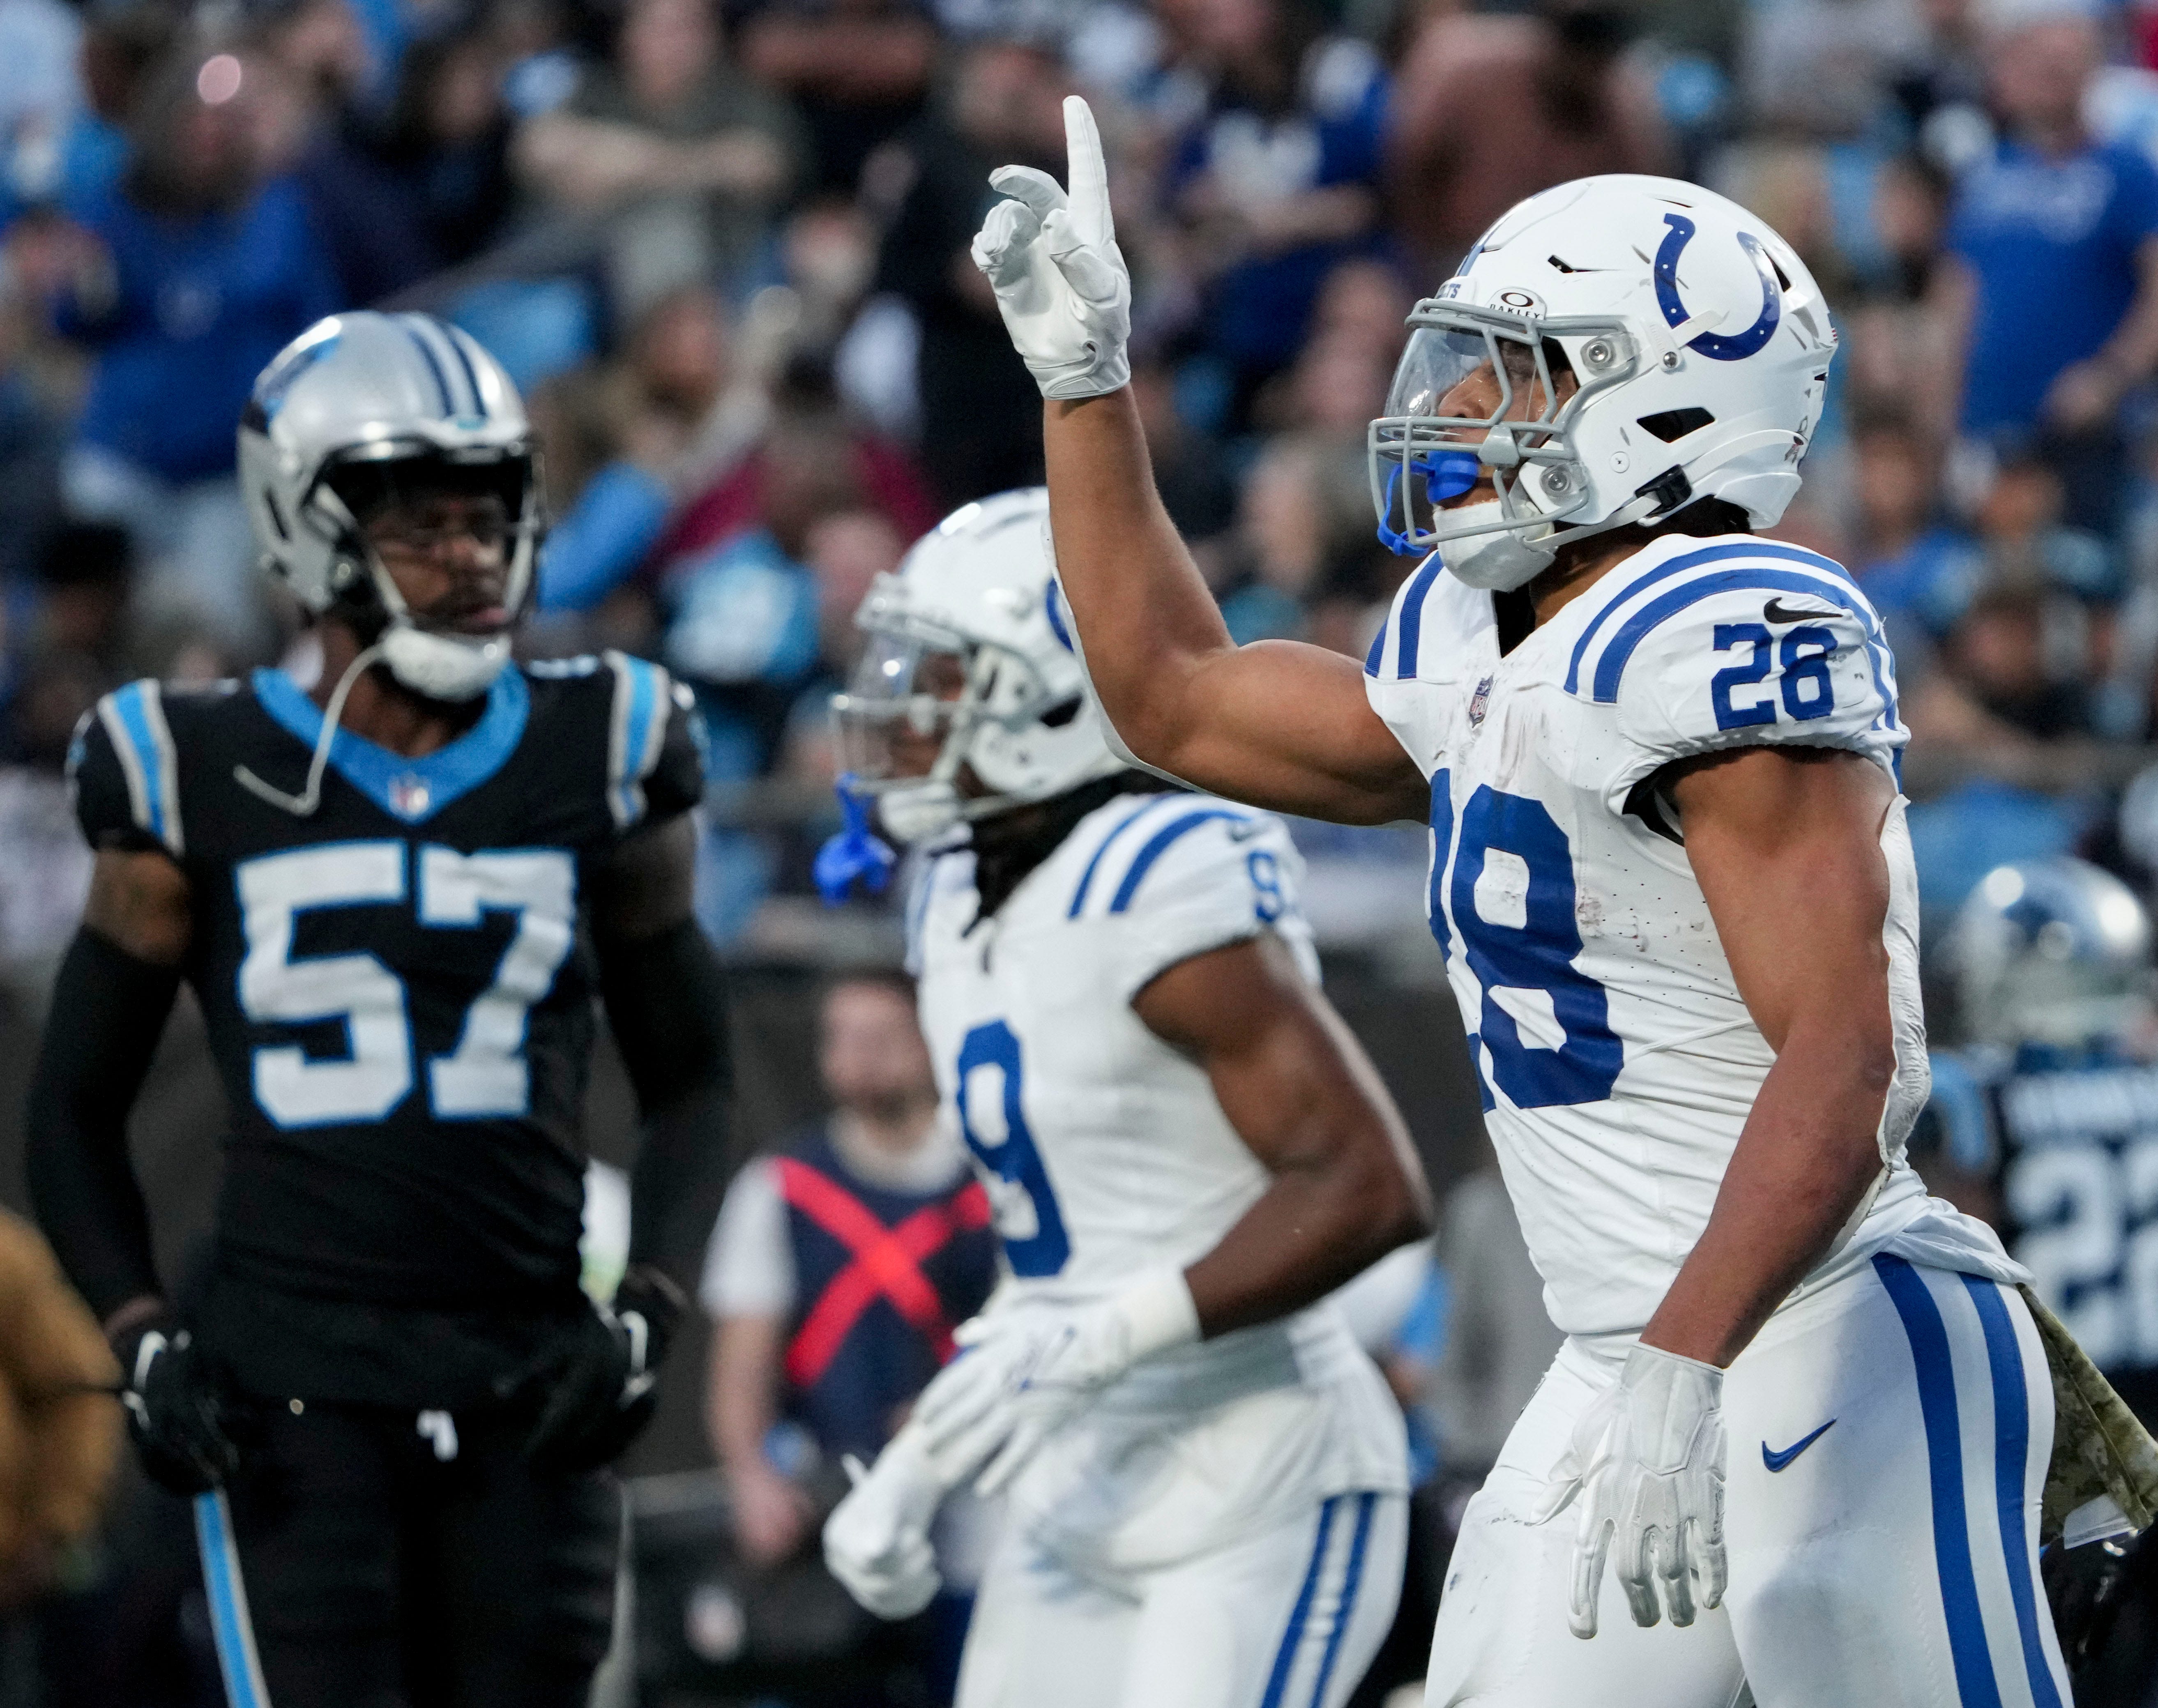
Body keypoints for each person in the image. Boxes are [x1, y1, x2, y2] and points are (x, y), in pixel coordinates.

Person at [965, 105, 2096, 1703]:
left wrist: (1684, 1360)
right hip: (1621, 1348)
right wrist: (1083, 383)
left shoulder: (1716, 621)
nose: (1453, 407)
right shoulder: (1474, 635)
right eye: (1463, 363)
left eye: (1514, 372)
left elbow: (1852, 1055)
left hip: (1826, 1321)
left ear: (1668, 408)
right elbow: (1174, 698)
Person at [23, 310, 734, 1706]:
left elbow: (695, 1076)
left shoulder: (604, 745)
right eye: (422, 524)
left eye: (488, 515)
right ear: (304, 527)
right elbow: (72, 1107)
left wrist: (649, 1305)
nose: (469, 555)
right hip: (294, 1399)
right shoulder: (194, 764)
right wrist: (140, 1330)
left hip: (529, 1382)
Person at [815, 486, 1432, 1708]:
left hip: (1258, 1476)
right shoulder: (953, 889)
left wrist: (1099, 1338)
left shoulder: (1151, 876)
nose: (901, 708)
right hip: (1080, 1475)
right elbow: (1071, 1236)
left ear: (1055, 696)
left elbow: (1366, 1189)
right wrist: (922, 1455)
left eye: (942, 676)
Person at [702, 969, 995, 1562]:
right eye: (843, 1038)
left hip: (978, 1488)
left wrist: (958, 1411)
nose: (860, 1057)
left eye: (881, 1037)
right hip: (834, 1487)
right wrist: (752, 1476)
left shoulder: (990, 1184)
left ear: (929, 1041)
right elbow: (743, 1355)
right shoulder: (783, 1186)